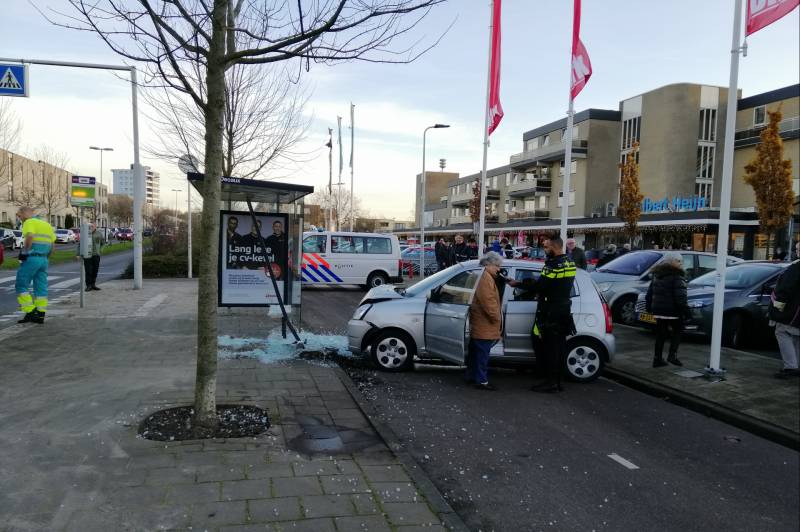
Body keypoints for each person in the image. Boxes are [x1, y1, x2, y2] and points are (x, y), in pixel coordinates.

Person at [508, 237, 577, 393]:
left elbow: (540, 286)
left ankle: (550, 383)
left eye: (546, 247)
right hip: (564, 308)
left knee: (550, 347)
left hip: (550, 310)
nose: (544, 250)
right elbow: (556, 285)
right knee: (559, 346)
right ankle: (558, 381)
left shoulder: (552, 265)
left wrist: (517, 283)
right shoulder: (570, 262)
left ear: (555, 247)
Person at [466, 251, 504, 391]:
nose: (498, 269)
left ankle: (471, 376)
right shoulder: (485, 278)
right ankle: (481, 381)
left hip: (479, 322)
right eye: (497, 266)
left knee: (475, 353)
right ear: (488, 264)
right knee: (482, 355)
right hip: (484, 324)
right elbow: (488, 302)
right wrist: (498, 318)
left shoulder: (480, 274)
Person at [645, 251, 689, 368]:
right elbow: (680, 298)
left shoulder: (657, 275)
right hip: (672, 310)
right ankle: (672, 355)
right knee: (679, 329)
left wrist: (649, 307)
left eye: (681, 261)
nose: (680, 263)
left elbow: (649, 293)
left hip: (659, 310)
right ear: (671, 261)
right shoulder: (677, 276)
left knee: (661, 334)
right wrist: (687, 312)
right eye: (678, 261)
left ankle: (657, 359)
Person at [15, 207, 56, 324]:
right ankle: (40, 314)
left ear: (24, 213)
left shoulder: (29, 222)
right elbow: (53, 246)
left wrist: (24, 252)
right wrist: (45, 257)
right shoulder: (47, 225)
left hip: (32, 258)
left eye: (19, 216)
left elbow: (30, 236)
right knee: (41, 287)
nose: (19, 218)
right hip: (43, 259)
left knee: (21, 285)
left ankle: (30, 312)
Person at [770, 241, 800, 379]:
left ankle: (791, 366)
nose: (796, 251)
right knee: (796, 337)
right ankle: (796, 365)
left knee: (781, 331)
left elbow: (784, 290)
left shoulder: (795, 268)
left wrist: (777, 309)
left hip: (792, 311)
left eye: (798, 249)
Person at [79, 223, 105, 291]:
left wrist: (101, 249)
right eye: (90, 226)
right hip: (87, 255)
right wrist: (78, 254)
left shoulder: (99, 234)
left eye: (92, 226)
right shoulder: (85, 234)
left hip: (96, 255)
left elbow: (103, 243)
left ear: (95, 227)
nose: (91, 228)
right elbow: (80, 244)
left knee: (95, 270)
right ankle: (88, 285)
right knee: (88, 271)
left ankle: (93, 284)